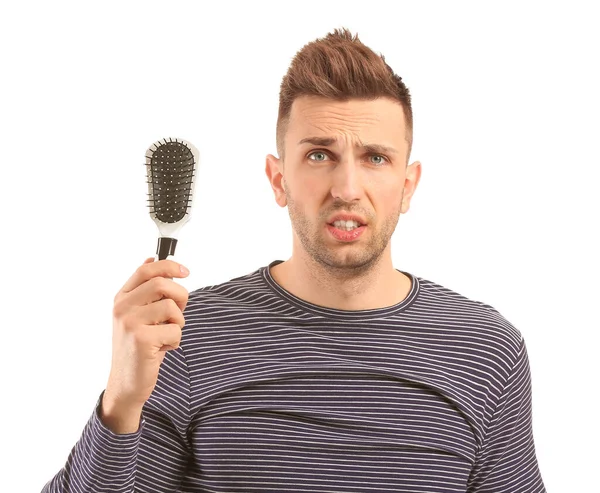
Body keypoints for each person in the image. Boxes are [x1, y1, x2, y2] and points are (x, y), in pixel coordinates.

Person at [42, 28, 546, 492]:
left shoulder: (486, 351)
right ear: (278, 179)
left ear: (407, 185)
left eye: (375, 158)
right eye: (319, 155)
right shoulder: (186, 338)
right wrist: (121, 403)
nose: (347, 189)